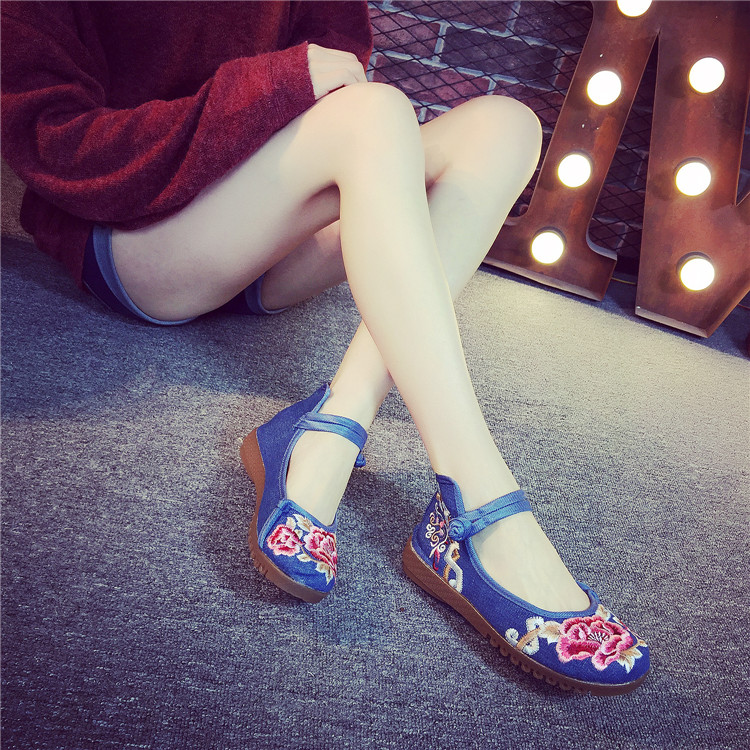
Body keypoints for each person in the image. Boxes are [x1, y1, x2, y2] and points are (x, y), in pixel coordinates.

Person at [1, 1, 649, 695]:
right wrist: (273, 86)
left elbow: (334, 75)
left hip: (264, 237)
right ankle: (480, 499)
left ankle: (335, 424)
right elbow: (53, 142)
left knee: (505, 127)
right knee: (374, 114)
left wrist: (295, 105)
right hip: (138, 241)